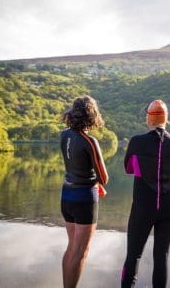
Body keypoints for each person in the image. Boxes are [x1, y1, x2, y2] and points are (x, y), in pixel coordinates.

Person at [121, 100, 170, 288]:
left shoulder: (137, 141)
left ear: (149, 119)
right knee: (161, 255)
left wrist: (145, 166)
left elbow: (128, 168)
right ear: (166, 119)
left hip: (144, 203)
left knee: (133, 255)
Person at [60, 95, 109, 288]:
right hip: (84, 200)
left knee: (71, 248)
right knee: (81, 252)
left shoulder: (64, 135)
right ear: (92, 115)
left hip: (66, 195)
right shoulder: (90, 142)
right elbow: (104, 178)